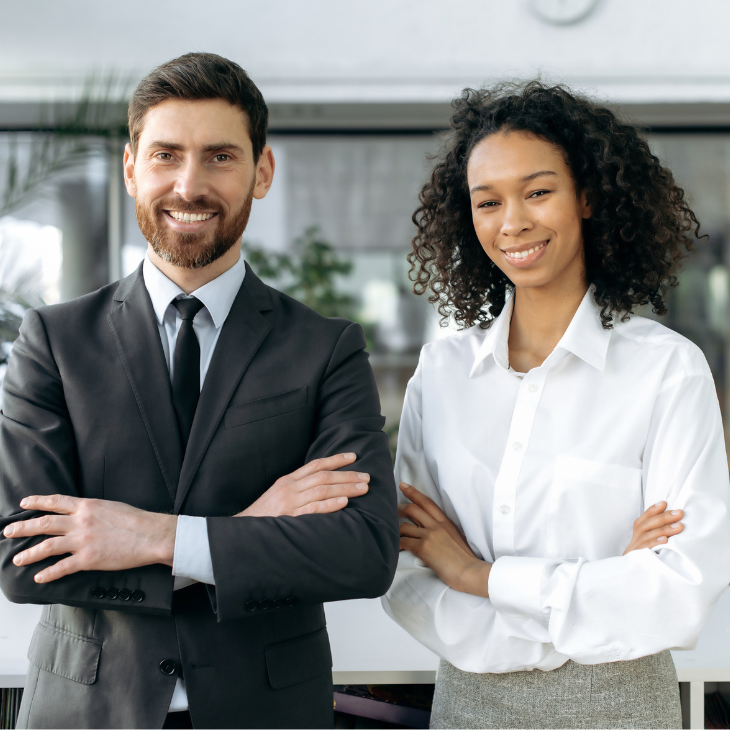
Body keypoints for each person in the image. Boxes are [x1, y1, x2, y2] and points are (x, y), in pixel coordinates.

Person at [0, 52, 399, 730]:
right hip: (89, 712)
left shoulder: (324, 348)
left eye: (219, 157)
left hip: (266, 713)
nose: (189, 184)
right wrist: (249, 529)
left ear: (261, 171)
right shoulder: (53, 341)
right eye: (165, 156)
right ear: (132, 169)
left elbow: (362, 552)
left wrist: (148, 536)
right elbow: (25, 561)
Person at [381, 82, 730, 729]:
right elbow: (408, 570)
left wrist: (480, 576)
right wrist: (595, 591)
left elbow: (678, 592)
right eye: (488, 201)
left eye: (537, 192)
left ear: (588, 196)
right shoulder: (441, 373)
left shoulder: (666, 370)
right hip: (468, 709)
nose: (512, 222)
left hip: (621, 709)